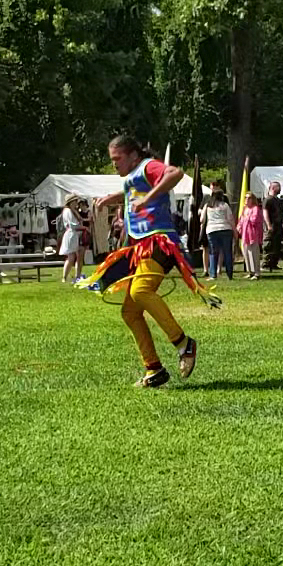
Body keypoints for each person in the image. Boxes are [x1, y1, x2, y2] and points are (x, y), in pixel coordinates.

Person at [84, 135, 204, 388]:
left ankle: (184, 343)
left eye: (117, 159)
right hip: (140, 245)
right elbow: (132, 190)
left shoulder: (148, 165)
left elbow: (175, 173)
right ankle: (154, 370)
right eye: (112, 160)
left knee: (141, 291)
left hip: (159, 242)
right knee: (129, 311)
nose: (114, 164)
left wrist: (148, 200)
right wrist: (111, 198)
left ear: (133, 156)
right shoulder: (133, 176)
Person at [204, 190, 235, 280]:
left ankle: (213, 274)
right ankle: (230, 274)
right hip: (225, 229)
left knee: (213, 253)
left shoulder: (208, 206)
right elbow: (230, 218)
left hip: (212, 230)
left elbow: (202, 219)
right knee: (227, 253)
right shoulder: (225, 205)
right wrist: (235, 230)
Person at [236, 192, 266, 280]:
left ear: (253, 199)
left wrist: (246, 218)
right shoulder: (244, 209)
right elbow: (241, 220)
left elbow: (254, 220)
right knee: (246, 253)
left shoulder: (255, 208)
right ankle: (250, 272)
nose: (246, 199)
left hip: (252, 234)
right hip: (245, 234)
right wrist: (238, 227)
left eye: (249, 198)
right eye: (245, 197)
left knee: (254, 253)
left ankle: (256, 272)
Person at [58, 198, 87, 283]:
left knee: (79, 256)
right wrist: (84, 227)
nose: (76, 203)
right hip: (72, 235)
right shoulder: (67, 211)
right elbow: (73, 225)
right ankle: (64, 277)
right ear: (71, 202)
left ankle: (77, 276)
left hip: (77, 235)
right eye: (75, 201)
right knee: (71, 257)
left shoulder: (73, 210)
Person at [262, 182, 283, 270]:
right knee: (268, 245)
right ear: (273, 188)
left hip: (278, 226)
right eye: (278, 187)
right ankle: (266, 263)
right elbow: (265, 212)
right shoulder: (268, 200)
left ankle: (273, 263)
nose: (280, 189)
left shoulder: (277, 200)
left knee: (276, 245)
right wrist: (269, 225)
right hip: (271, 226)